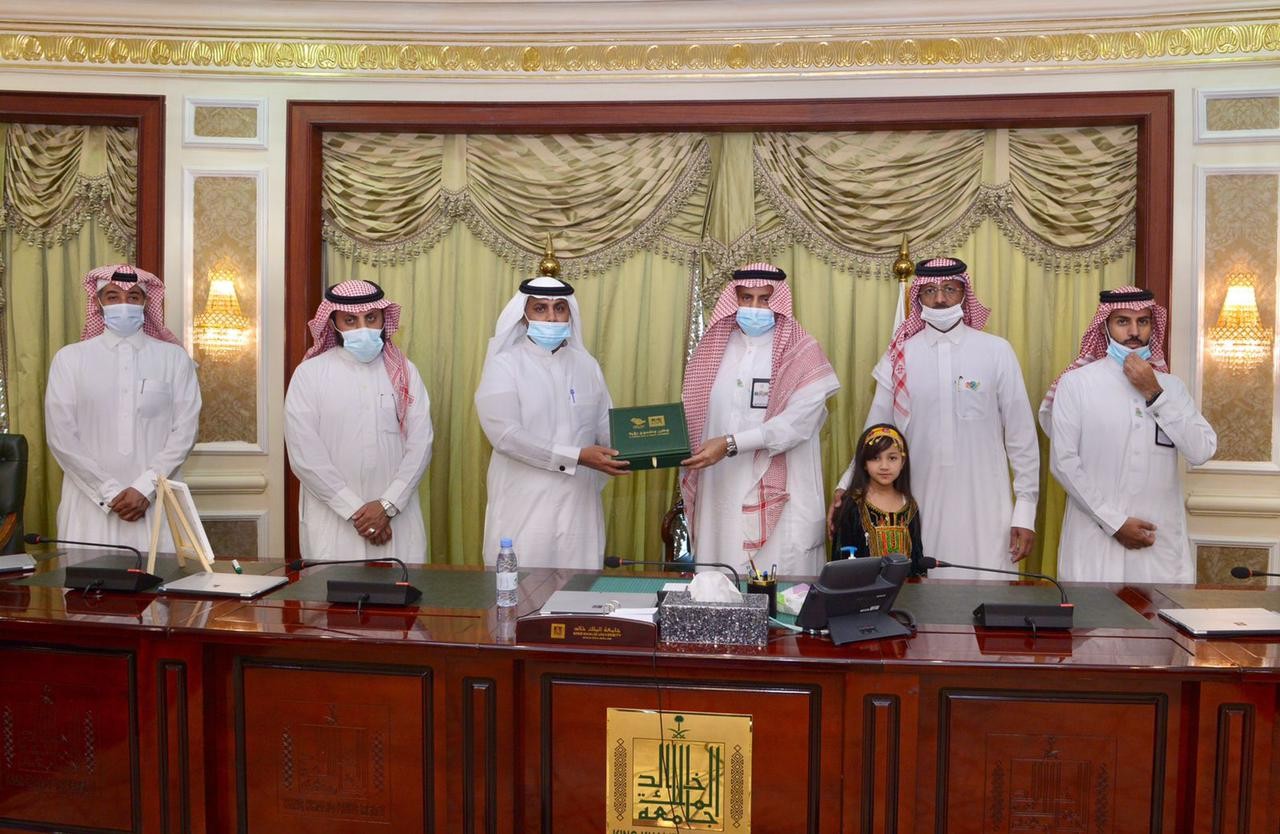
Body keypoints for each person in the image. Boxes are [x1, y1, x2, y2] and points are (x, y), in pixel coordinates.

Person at [832, 257, 1039, 579]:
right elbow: (875, 432)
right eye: (929, 291)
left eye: (949, 289)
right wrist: (846, 485)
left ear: (964, 293)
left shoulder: (996, 351)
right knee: (924, 587)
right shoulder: (900, 356)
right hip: (919, 501)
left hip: (986, 504)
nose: (940, 299)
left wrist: (1024, 512)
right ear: (918, 297)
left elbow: (1021, 438)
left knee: (988, 589)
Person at [1039, 286, 1216, 583]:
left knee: (1161, 613)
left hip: (1158, 545)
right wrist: (1114, 523)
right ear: (1105, 327)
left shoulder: (1171, 388)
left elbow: (1202, 451)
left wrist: (1155, 393)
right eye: (1123, 321)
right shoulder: (1077, 384)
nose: (1134, 332)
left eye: (1142, 322)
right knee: (1093, 614)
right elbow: (1064, 463)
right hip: (1095, 541)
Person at [680, 262, 841, 577]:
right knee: (719, 583)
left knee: (777, 591)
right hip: (719, 493)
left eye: (765, 298)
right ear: (734, 299)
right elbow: (694, 418)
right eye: (746, 297)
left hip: (782, 494)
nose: (754, 307)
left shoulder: (803, 353)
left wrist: (730, 444)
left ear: (778, 300)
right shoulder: (714, 350)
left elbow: (795, 425)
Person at [44, 264, 202, 551]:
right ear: (98, 303)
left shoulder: (175, 359)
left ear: (146, 303)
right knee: (86, 578)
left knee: (162, 579)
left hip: (157, 502)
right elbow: (61, 437)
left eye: (133, 297)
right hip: (89, 507)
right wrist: (109, 492)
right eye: (113, 297)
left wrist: (144, 488)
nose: (124, 304)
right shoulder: (69, 359)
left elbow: (185, 432)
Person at [475, 274, 627, 569]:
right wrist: (577, 456)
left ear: (570, 313)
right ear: (524, 316)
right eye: (540, 308)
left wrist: (648, 449)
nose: (551, 317)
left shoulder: (587, 366)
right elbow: (506, 436)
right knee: (521, 591)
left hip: (579, 511)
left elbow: (607, 430)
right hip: (523, 509)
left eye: (559, 308)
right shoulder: (504, 365)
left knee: (578, 591)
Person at [284, 279, 433, 562]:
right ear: (334, 323)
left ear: (383, 319)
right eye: (350, 320)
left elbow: (421, 444)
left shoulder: (405, 372)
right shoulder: (309, 375)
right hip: (335, 520)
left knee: (402, 589)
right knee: (332, 589)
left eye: (371, 318)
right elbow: (305, 455)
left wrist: (387, 506)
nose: (363, 328)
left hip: (397, 518)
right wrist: (359, 513)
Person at [830, 423, 927, 576]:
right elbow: (840, 563)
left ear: (902, 462)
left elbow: (917, 559)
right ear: (864, 463)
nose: (884, 466)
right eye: (875, 458)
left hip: (907, 590)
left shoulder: (910, 506)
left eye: (892, 458)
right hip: (861, 589)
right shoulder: (852, 504)